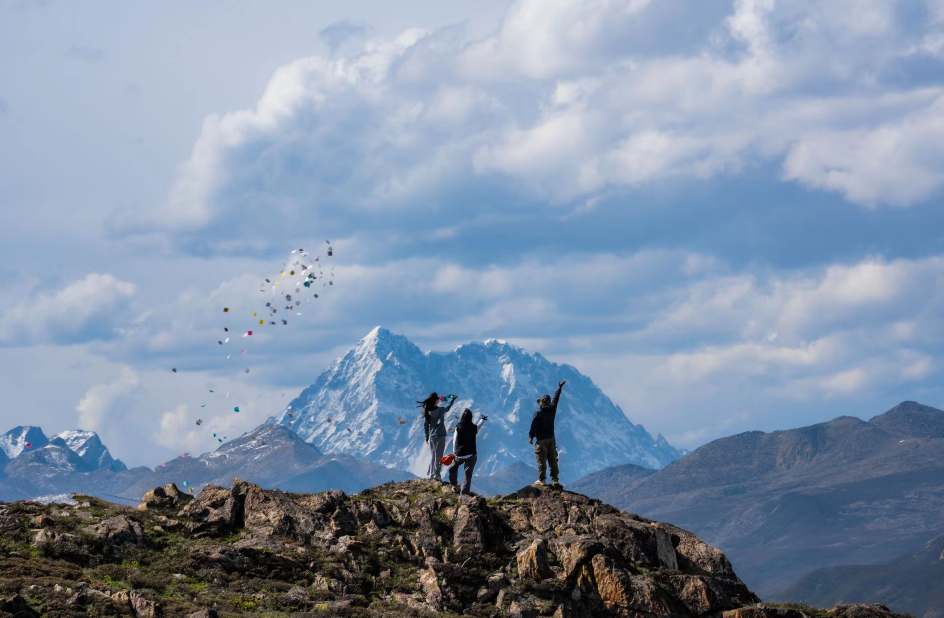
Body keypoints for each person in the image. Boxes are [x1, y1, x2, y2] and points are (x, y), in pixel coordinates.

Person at [529, 380, 566, 488]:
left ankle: (542, 480)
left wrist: (531, 436)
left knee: (541, 459)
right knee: (552, 459)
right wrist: (559, 389)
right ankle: (555, 480)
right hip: (551, 438)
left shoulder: (538, 413)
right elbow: (556, 399)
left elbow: (533, 426)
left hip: (541, 440)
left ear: (541, 402)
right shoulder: (552, 409)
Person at [418, 392, 457, 481]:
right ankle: (437, 475)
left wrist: (427, 436)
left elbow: (426, 426)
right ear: (436, 401)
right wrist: (452, 400)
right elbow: (448, 408)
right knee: (439, 456)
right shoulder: (441, 410)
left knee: (433, 456)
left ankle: (431, 474)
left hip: (432, 436)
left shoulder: (427, 412)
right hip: (440, 435)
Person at [447, 408, 487, 495]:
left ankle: (454, 485)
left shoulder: (458, 428)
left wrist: (454, 453)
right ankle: (464, 495)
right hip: (471, 455)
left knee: (453, 469)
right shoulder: (473, 428)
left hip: (459, 455)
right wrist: (482, 420)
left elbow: (455, 441)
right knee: (467, 476)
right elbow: (478, 426)